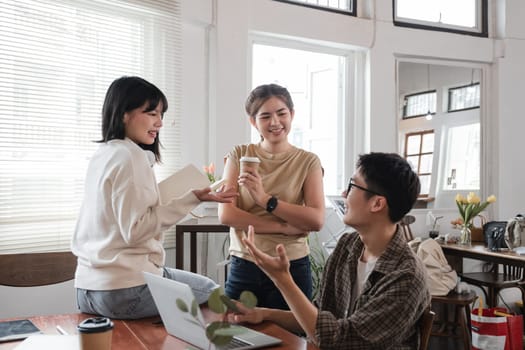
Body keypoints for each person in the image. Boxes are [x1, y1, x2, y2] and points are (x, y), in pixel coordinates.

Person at [71, 76, 237, 320]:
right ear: (124, 114)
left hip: (87, 290)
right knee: (216, 295)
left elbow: (120, 220)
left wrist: (191, 197)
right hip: (126, 290)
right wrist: (190, 199)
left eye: (161, 115)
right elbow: (136, 230)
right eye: (151, 113)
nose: (159, 123)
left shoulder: (103, 154)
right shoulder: (131, 156)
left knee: (186, 284)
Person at [231, 152, 431, 349]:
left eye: (352, 186)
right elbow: (318, 316)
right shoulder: (348, 246)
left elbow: (339, 341)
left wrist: (282, 279)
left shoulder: (406, 276)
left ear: (377, 203)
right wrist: (264, 314)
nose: (344, 194)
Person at [218, 83, 325, 310]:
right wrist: (284, 227)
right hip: (244, 263)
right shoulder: (239, 154)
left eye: (281, 113)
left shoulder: (308, 161)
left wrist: (266, 200)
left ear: (292, 114)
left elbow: (315, 220)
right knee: (234, 335)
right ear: (253, 121)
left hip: (291, 265)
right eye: (265, 116)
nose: (275, 122)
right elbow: (226, 214)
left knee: (292, 341)